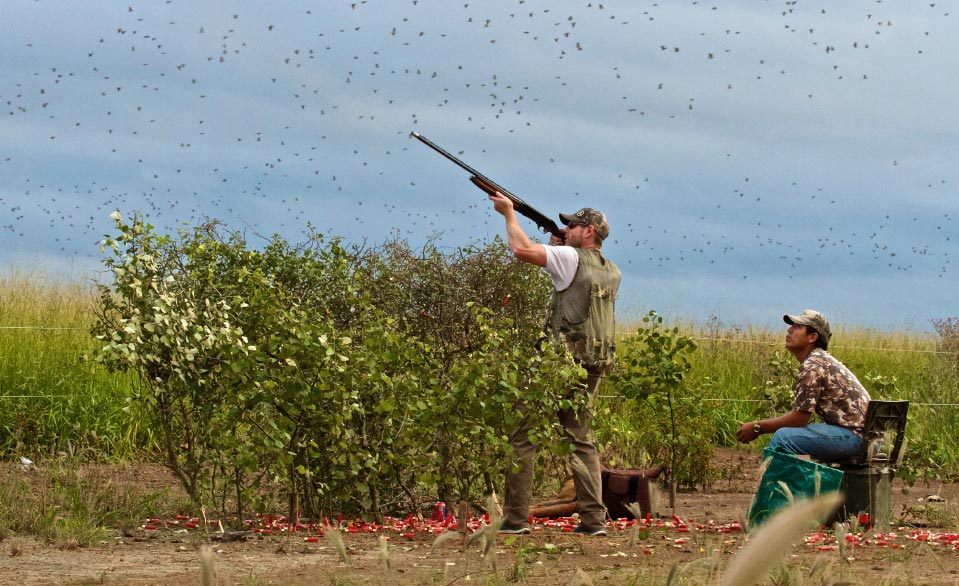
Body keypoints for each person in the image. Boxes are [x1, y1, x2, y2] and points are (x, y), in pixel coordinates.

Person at [486, 189, 620, 537]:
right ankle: (593, 520)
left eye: (573, 226)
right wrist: (559, 247)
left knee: (523, 434)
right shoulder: (610, 270)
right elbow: (574, 289)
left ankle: (516, 519)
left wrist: (508, 213)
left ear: (588, 231)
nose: (567, 229)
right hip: (591, 363)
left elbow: (521, 250)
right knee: (581, 439)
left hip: (558, 363)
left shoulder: (570, 258)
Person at [735, 309, 871, 462]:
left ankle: (781, 478)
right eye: (791, 326)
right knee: (790, 438)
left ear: (812, 337)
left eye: (798, 327)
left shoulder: (813, 366)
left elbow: (798, 420)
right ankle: (801, 477)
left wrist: (757, 427)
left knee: (783, 438)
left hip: (854, 438)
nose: (789, 330)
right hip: (862, 437)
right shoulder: (820, 360)